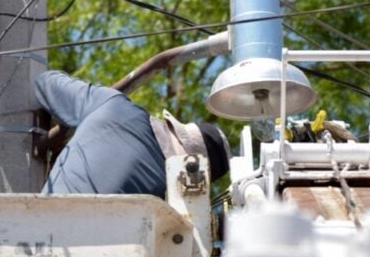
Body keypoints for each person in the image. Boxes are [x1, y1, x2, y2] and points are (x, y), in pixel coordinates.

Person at [33, 69, 231, 196]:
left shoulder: (114, 106)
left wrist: (68, 128)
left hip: (29, 236)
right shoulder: (166, 208)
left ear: (175, 128)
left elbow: (45, 82)